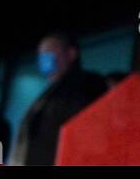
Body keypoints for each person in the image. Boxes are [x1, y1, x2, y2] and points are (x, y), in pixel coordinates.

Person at [11, 31, 108, 166]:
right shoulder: (47, 95)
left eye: (50, 50)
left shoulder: (87, 83)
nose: (44, 56)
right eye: (40, 53)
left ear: (71, 53)